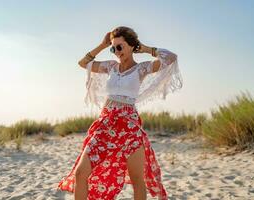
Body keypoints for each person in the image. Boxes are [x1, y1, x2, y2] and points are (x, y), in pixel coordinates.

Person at [57, 26, 183, 200]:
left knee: (138, 179)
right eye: (113, 48)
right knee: (80, 173)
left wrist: (145, 48)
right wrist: (102, 45)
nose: (116, 52)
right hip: (105, 123)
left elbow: (171, 58)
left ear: (131, 46)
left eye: (120, 47)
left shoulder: (141, 69)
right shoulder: (111, 67)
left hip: (129, 126)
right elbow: (83, 63)